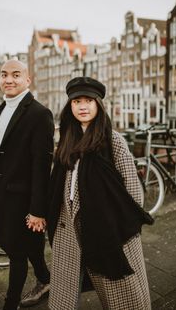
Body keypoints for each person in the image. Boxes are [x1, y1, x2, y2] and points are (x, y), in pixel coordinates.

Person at [47, 76, 154, 310]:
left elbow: (133, 189)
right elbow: (59, 181)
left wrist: (118, 225)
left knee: (120, 292)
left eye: (88, 100)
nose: (82, 106)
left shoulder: (112, 140)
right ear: (70, 106)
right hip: (69, 225)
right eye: (76, 102)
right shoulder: (67, 139)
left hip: (108, 228)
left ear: (98, 104)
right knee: (62, 296)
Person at [0, 59, 54, 310]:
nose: (8, 80)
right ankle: (46, 280)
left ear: (27, 80)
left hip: (23, 202)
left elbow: (41, 167)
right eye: (4, 75)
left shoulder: (40, 114)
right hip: (1, 198)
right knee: (30, 247)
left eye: (15, 75)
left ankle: (10, 304)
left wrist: (38, 210)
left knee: (17, 254)